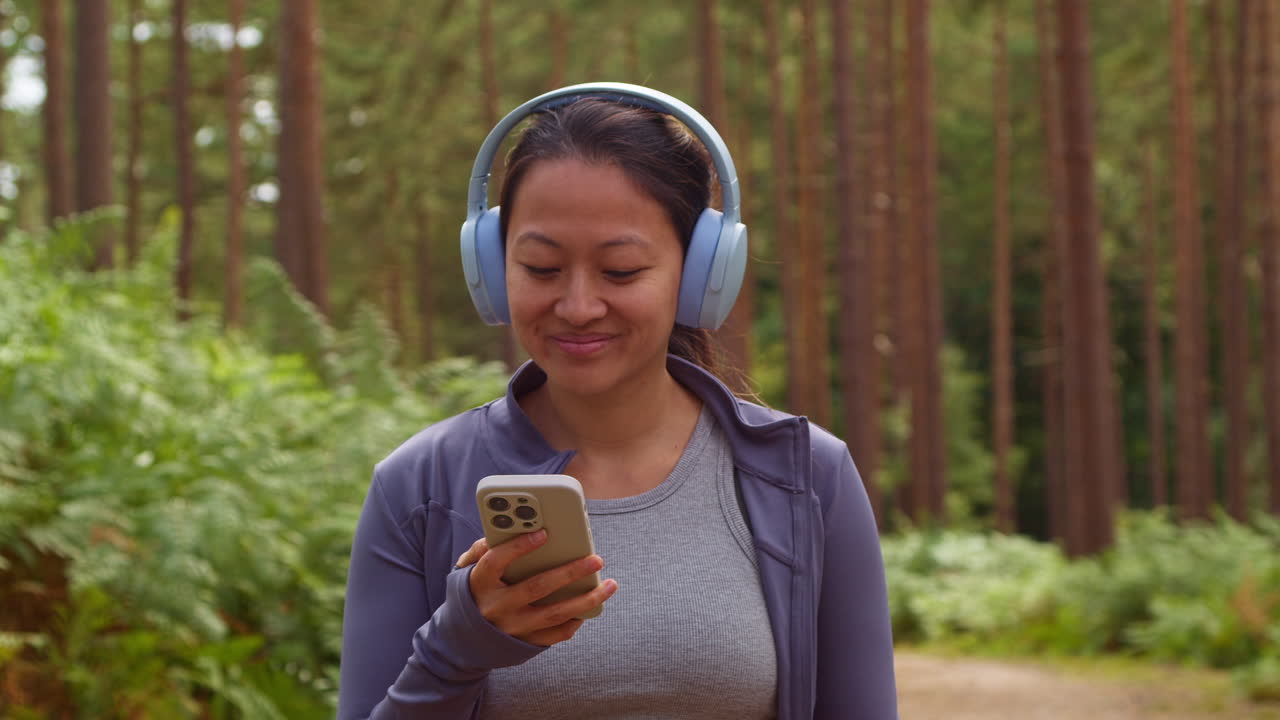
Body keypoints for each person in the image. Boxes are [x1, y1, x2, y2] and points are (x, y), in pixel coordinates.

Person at [337, 83, 899, 720]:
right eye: (541, 268)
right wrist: (456, 648)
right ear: (493, 270)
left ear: (701, 275)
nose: (578, 307)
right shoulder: (418, 488)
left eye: (622, 271)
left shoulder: (808, 477)